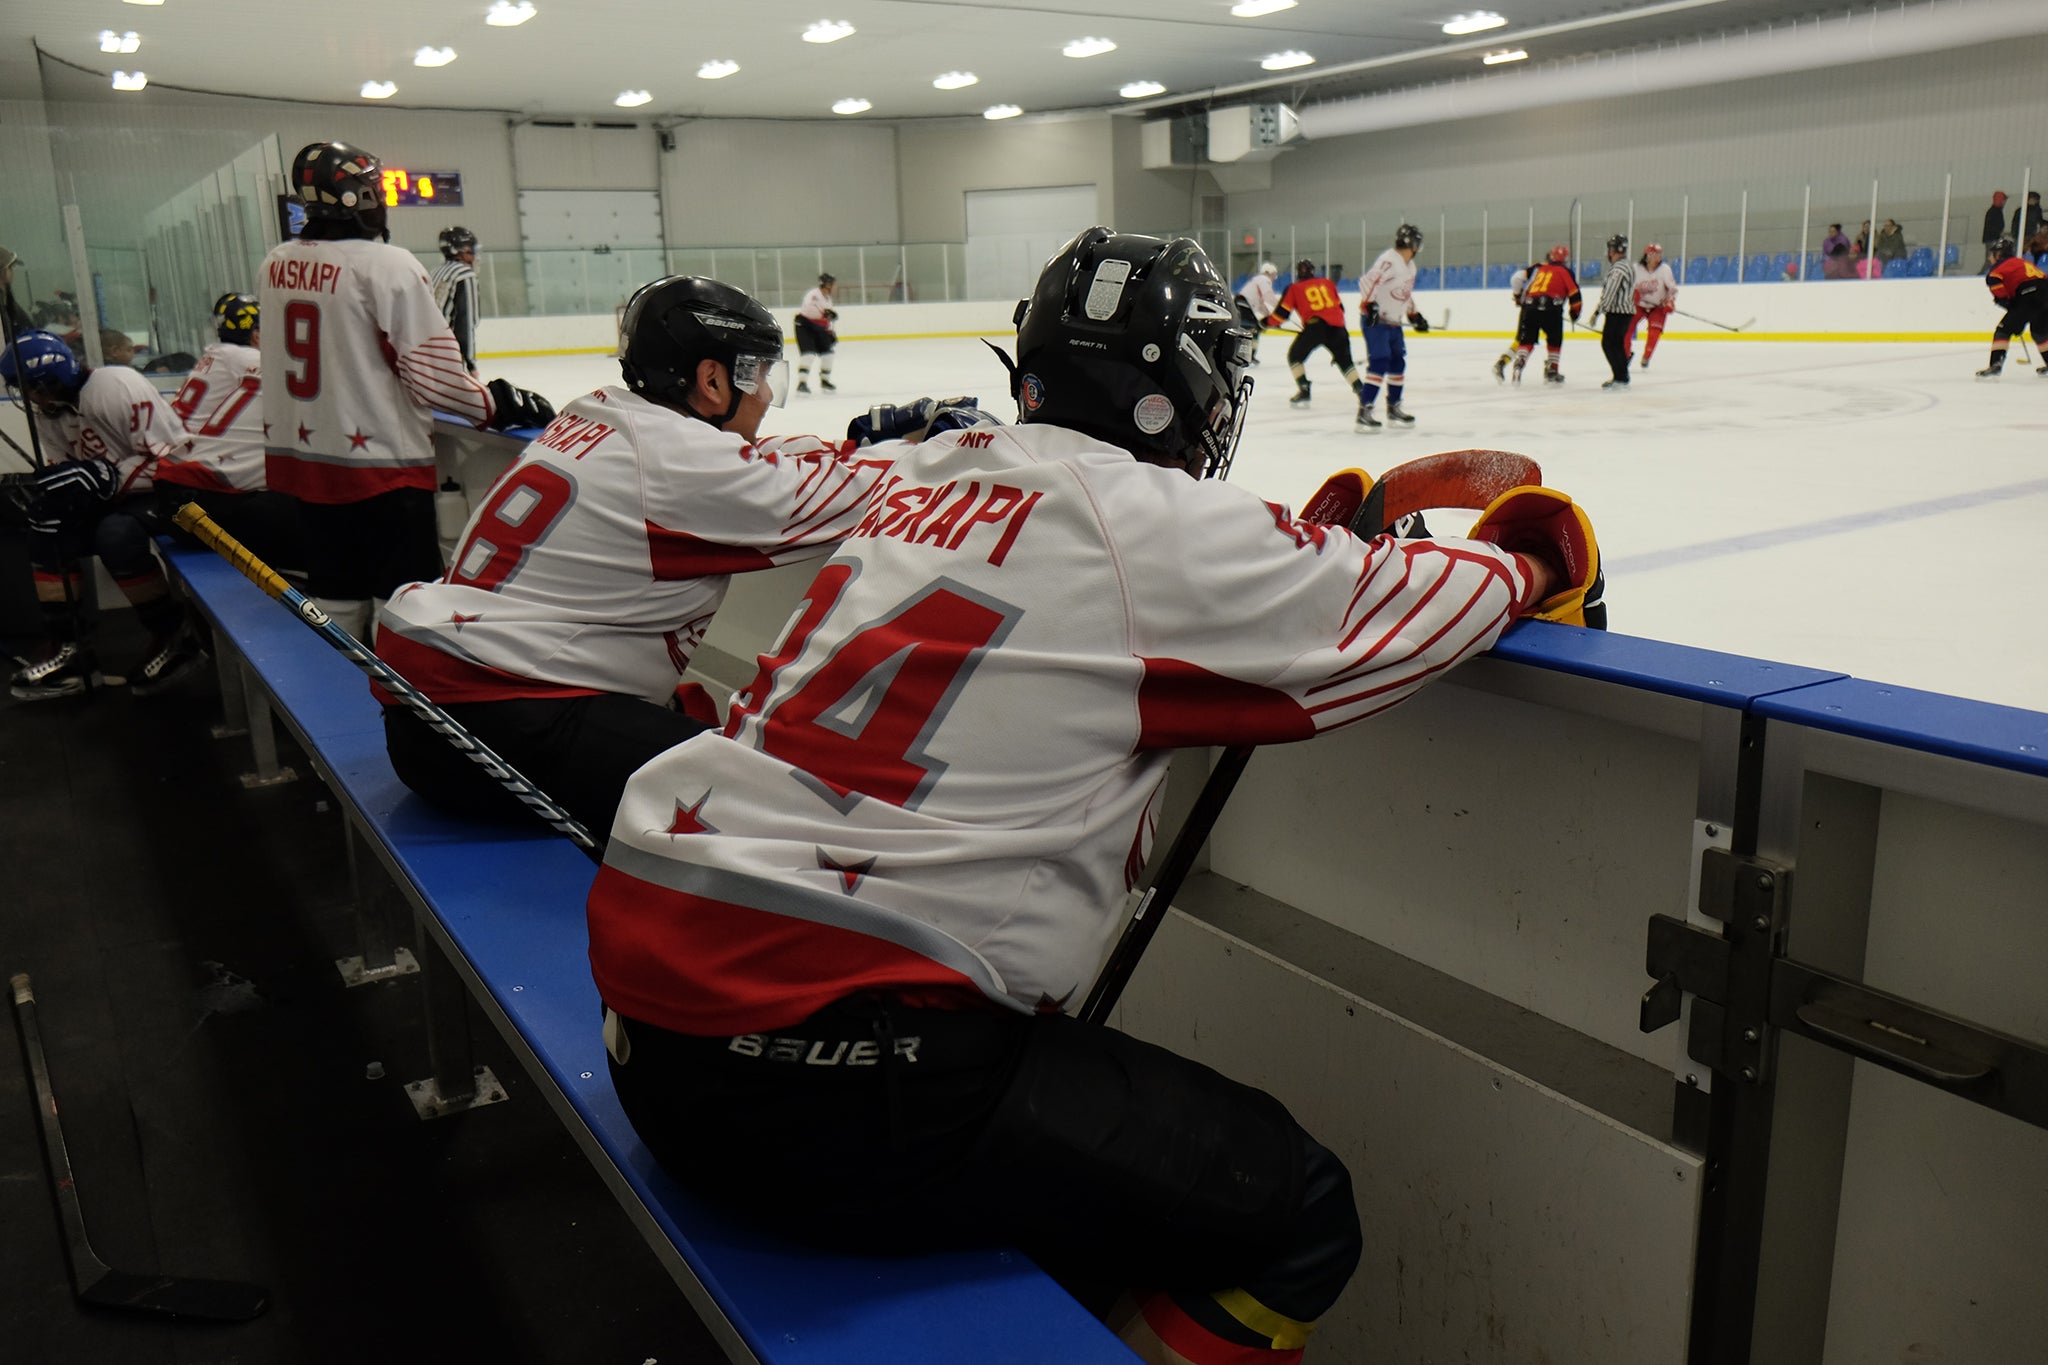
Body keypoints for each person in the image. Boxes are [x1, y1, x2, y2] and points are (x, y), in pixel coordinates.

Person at [584, 225, 1600, 1365]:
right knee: (1298, 1211)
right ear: (1181, 385)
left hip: (650, 1031)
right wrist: (1535, 558)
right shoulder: (1155, 525)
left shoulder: (926, 477)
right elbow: (1403, 607)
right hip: (821, 1078)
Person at [375, 275, 899, 845]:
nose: (768, 395)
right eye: (761, 373)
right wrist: (937, 444)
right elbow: (866, 496)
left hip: (436, 712)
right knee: (770, 800)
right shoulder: (683, 466)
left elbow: (728, 467)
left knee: (693, 723)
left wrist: (852, 444)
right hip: (498, 724)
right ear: (712, 379)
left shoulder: (601, 415)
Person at [261, 141, 493, 641]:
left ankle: (340, 700)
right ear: (356, 197)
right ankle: (404, 712)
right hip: (380, 470)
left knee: (335, 594)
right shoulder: (387, 264)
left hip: (306, 462)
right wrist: (491, 405)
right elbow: (434, 376)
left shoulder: (275, 263)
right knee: (404, 603)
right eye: (375, 187)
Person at [1, 329, 208, 700]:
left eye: (35, 386)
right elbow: (71, 472)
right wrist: (57, 492)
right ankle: (72, 649)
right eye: (23, 388)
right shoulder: (49, 416)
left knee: (114, 534)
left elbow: (174, 460)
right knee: (46, 526)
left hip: (171, 493)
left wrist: (107, 476)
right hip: (118, 493)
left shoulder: (116, 385)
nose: (32, 397)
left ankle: (174, 635)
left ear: (56, 377)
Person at [157, 294, 303, 571]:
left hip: (177, 474)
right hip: (202, 490)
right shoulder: (260, 363)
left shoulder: (214, 356)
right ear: (258, 334)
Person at [1352, 223, 1432, 430]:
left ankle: (1393, 408)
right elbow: (1367, 282)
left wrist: (1414, 314)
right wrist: (1368, 305)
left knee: (1397, 363)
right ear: (1414, 244)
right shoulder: (1389, 260)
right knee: (1380, 362)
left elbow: (1404, 293)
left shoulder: (1409, 267)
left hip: (1393, 323)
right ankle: (1365, 410)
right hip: (1376, 322)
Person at [1268, 259, 1367, 409]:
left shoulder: (1294, 288)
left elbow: (1280, 315)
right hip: (1338, 327)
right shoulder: (1328, 283)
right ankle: (1361, 391)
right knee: (1345, 362)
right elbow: (1340, 308)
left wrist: (1264, 323)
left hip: (1315, 327)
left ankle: (1304, 389)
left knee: (1294, 356)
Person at [1493, 245, 1580, 384]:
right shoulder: (1564, 271)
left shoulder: (1538, 267)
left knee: (1524, 340)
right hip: (1552, 307)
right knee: (1554, 339)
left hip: (1529, 305)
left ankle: (1514, 364)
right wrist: (1575, 311)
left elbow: (1516, 278)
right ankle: (1552, 369)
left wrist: (1518, 296)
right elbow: (1574, 294)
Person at [1975, 237, 2047, 381]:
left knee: (2003, 329)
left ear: (1998, 254)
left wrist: (2010, 306)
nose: (1989, 258)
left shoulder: (1997, 270)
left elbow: (1999, 290)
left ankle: (1995, 365)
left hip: (2029, 295)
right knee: (2040, 332)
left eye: (1991, 254)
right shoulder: (2022, 262)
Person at [430, 226, 481, 375]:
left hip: (425, 349)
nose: (474, 255)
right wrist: (471, 363)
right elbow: (466, 322)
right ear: (461, 250)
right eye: (471, 249)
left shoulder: (436, 272)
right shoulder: (464, 275)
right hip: (447, 353)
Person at [1591, 234, 1636, 390]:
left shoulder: (1618, 268)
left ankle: (1621, 376)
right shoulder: (1628, 265)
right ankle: (1622, 375)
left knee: (1609, 344)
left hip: (1617, 312)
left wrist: (1598, 310)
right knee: (1616, 344)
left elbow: (1610, 291)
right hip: (1625, 312)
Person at [1629, 243, 1678, 369]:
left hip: (1658, 306)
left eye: (1659, 254)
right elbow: (1629, 286)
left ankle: (1646, 356)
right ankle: (1626, 354)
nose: (1658, 257)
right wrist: (1632, 295)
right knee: (1627, 328)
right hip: (1639, 305)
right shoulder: (1636, 268)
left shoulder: (1665, 269)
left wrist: (1670, 301)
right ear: (1647, 255)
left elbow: (1672, 289)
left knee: (1654, 332)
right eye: (1654, 254)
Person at [795, 273, 837, 393]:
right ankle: (802, 383)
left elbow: (826, 318)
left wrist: (830, 332)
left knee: (828, 354)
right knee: (808, 354)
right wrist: (825, 313)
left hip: (819, 328)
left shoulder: (827, 298)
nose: (833, 287)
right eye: (832, 284)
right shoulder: (814, 295)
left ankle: (825, 381)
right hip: (805, 326)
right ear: (826, 284)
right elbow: (809, 310)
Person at [1234, 261, 1280, 365]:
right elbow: (1268, 296)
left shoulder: (1257, 281)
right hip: (1244, 304)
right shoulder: (1263, 280)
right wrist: (1280, 310)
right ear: (1269, 273)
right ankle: (1246, 356)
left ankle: (1247, 355)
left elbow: (1261, 305)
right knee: (1253, 329)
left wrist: (1271, 317)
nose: (1274, 278)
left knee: (1253, 329)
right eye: (1274, 275)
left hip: (1242, 303)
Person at [1982, 193, 2009, 272]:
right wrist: (2000, 234)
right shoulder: (1995, 212)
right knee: (1990, 260)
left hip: (1992, 238)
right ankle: (1980, 276)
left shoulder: (1994, 211)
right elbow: (1993, 227)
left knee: (1991, 260)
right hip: (1992, 239)